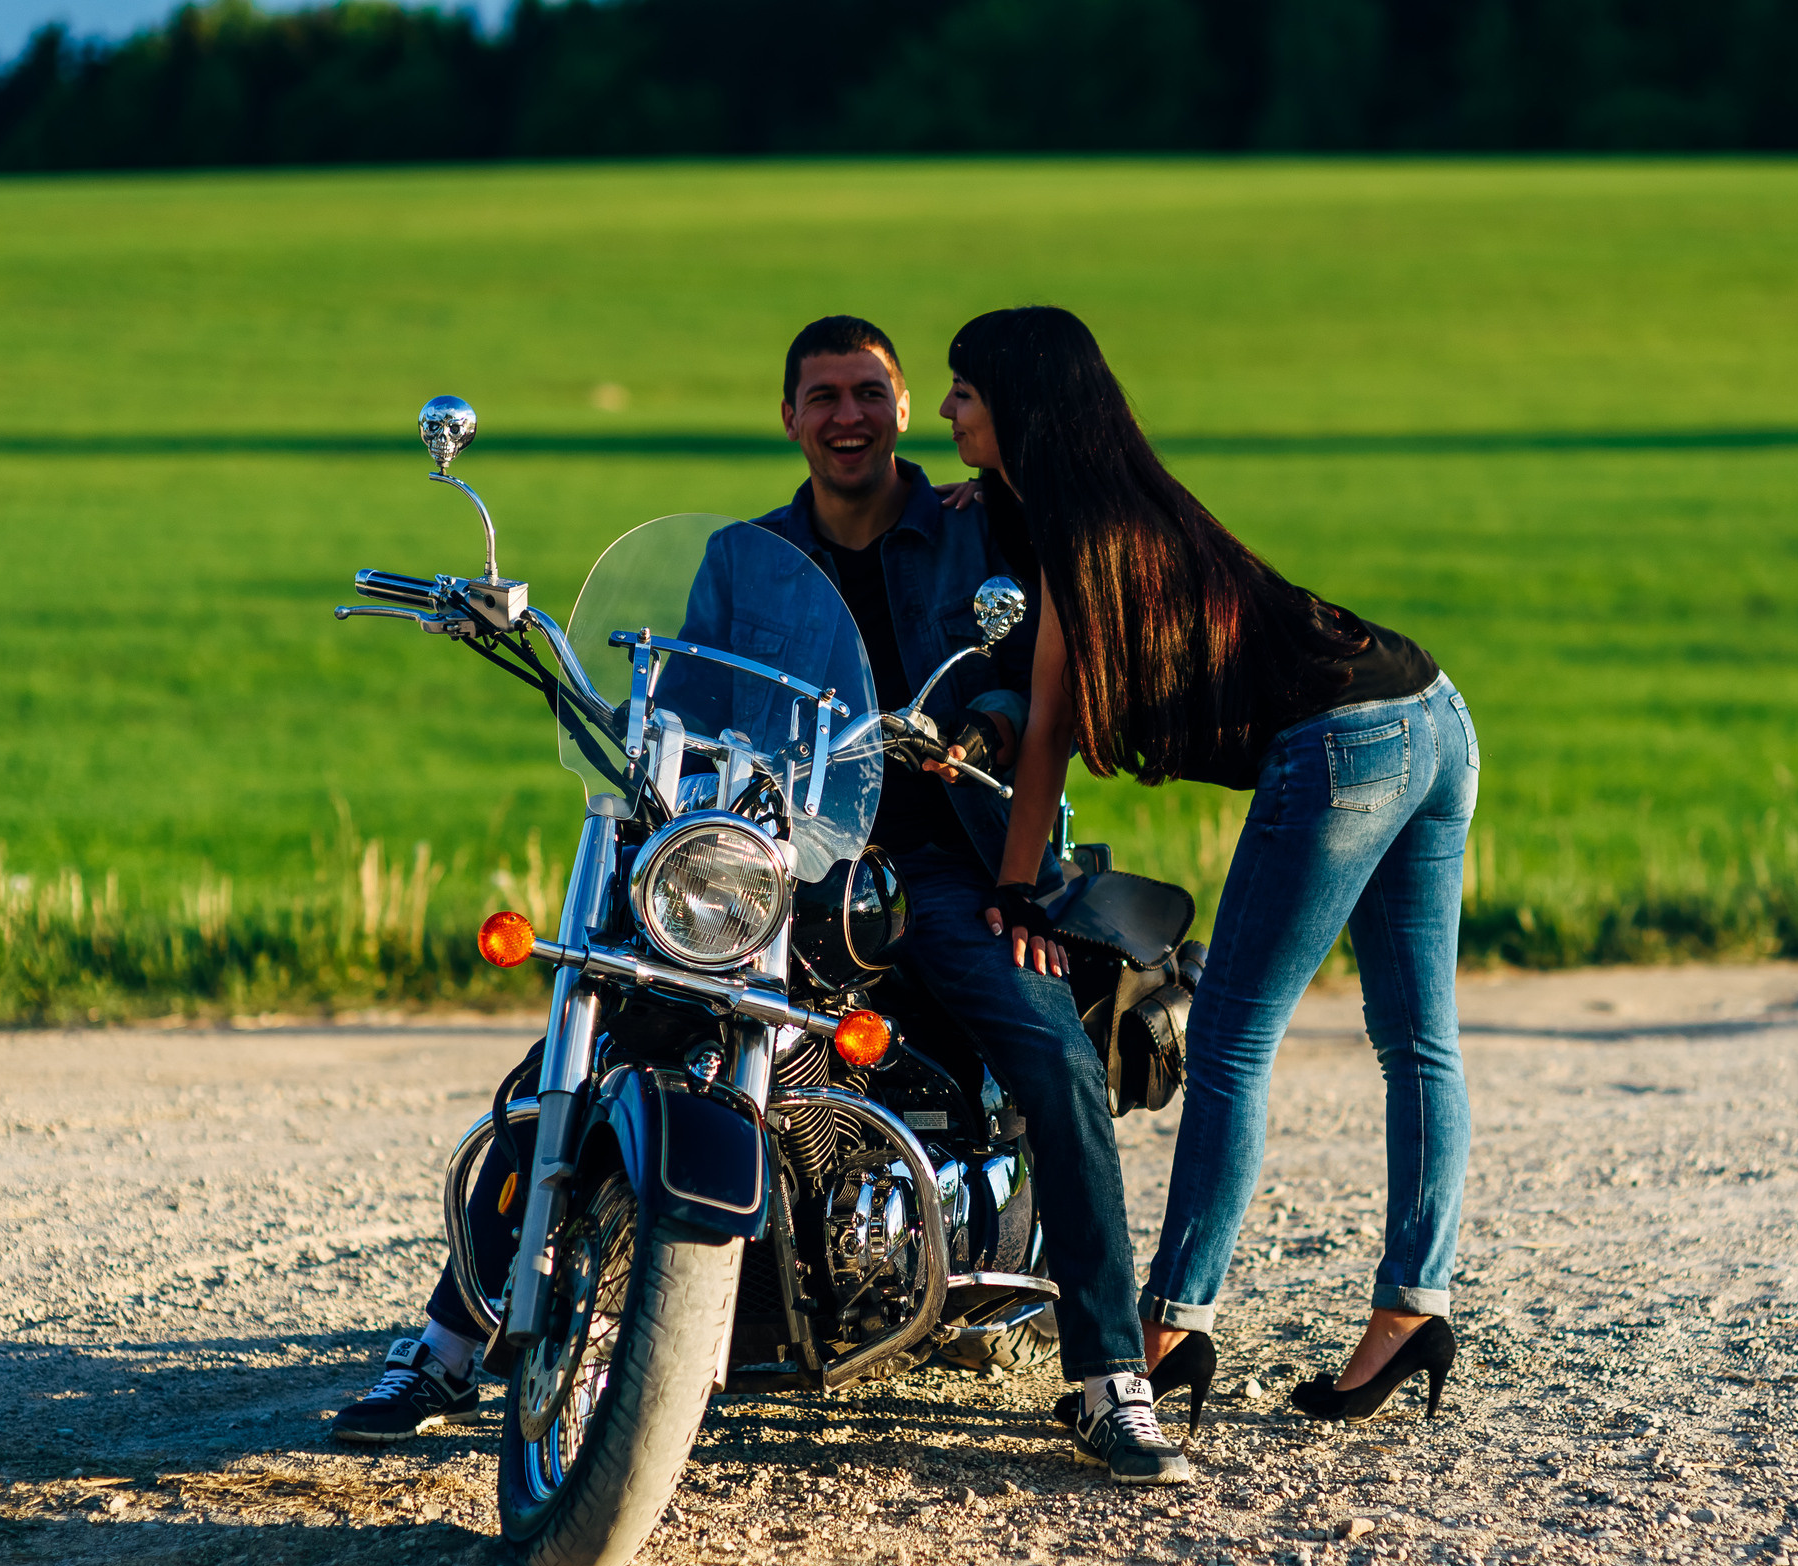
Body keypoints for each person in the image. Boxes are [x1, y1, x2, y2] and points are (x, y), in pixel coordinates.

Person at [332, 315, 1191, 1487]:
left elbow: (1024, 674)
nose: (848, 414)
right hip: (774, 861)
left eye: (870, 392)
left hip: (932, 861)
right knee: (581, 1042)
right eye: (822, 394)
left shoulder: (974, 526)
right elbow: (679, 696)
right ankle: (442, 1343)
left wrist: (972, 729)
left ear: (900, 409)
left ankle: (1107, 1375)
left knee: (1047, 1048)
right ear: (788, 416)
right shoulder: (743, 558)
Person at [946, 305, 1475, 1428]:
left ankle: (1173, 1319)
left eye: (964, 392)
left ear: (1019, 405)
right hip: (1433, 713)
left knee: (1231, 1036)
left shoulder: (1081, 543)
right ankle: (1412, 1304)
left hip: (1343, 746)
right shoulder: (1113, 509)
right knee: (1417, 1036)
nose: (946, 410)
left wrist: (1013, 887)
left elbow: (1042, 729)